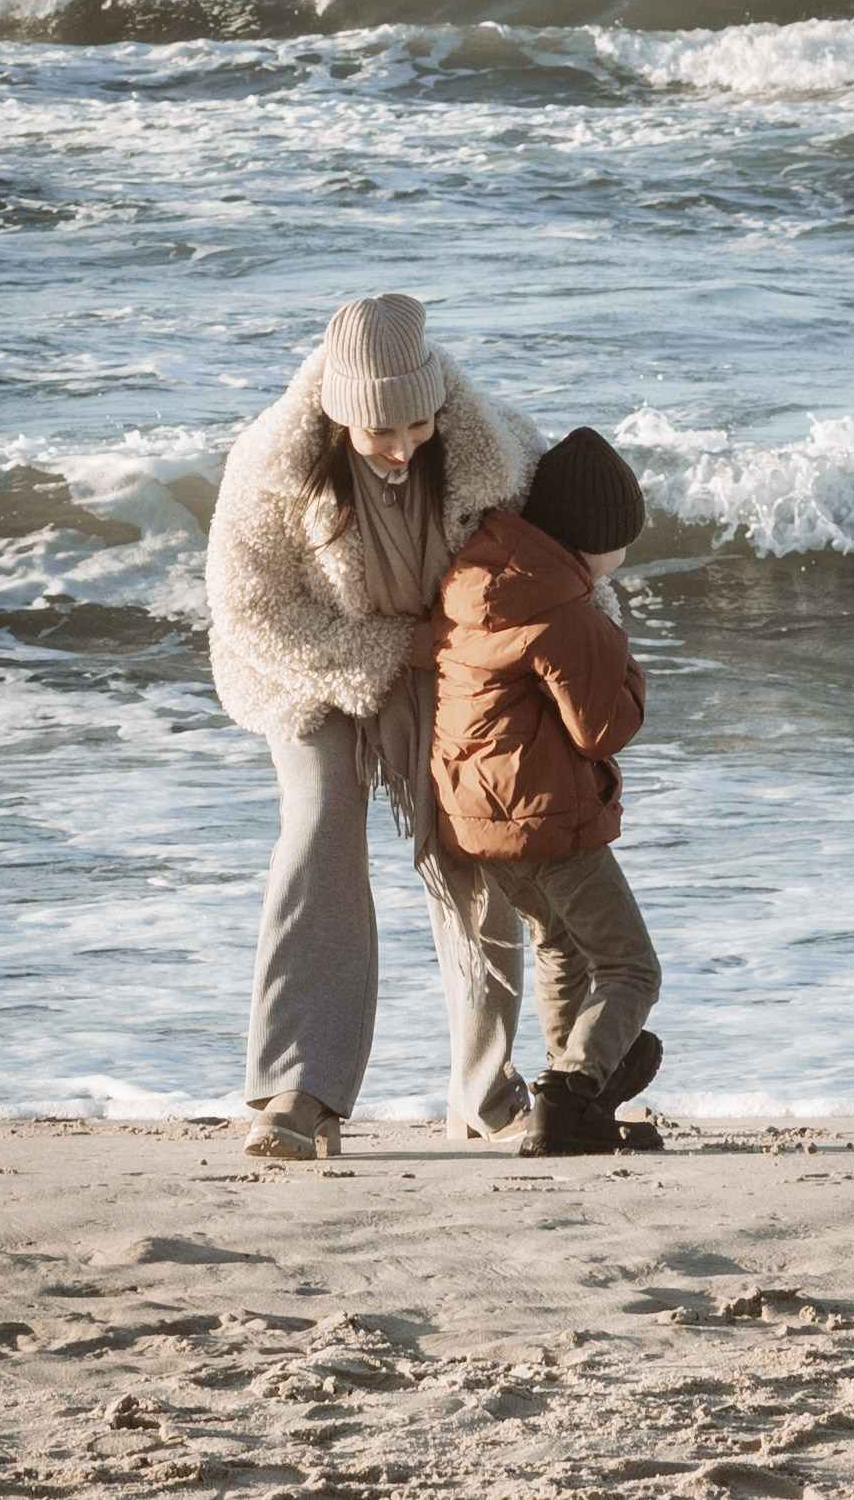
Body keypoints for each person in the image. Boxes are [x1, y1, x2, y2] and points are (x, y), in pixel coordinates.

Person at [205, 293, 544, 1158]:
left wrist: (587, 676)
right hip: (313, 666)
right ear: (335, 414)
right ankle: (298, 1089)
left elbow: (562, 570)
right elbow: (248, 614)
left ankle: (485, 1086)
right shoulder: (270, 463)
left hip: (444, 664)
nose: (400, 446)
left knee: (479, 839)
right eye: (377, 432)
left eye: (416, 423)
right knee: (321, 825)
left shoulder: (495, 448)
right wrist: (384, 655)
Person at [430, 427, 664, 1157]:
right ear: (595, 544)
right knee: (631, 966)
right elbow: (602, 729)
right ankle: (571, 1088)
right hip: (546, 823)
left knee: (559, 944)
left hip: (475, 822)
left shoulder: (477, 580)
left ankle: (573, 1098)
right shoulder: (565, 609)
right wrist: (629, 671)